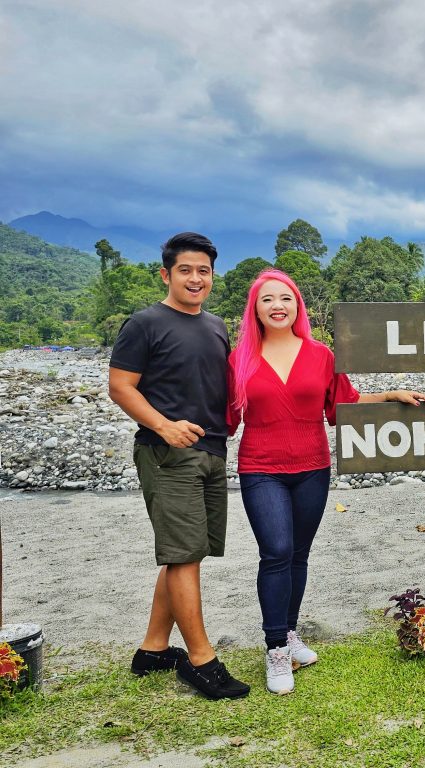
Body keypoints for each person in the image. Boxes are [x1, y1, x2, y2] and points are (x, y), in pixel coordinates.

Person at [228, 269, 425, 695]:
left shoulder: (321, 354)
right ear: (256, 309)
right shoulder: (240, 358)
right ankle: (275, 651)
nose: (277, 306)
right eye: (267, 299)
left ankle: (288, 632)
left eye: (285, 298)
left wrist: (393, 396)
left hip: (312, 467)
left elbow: (343, 408)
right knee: (277, 551)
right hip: (260, 467)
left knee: (298, 554)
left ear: (297, 305)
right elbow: (225, 418)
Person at [109, 232, 250, 700]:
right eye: (186, 270)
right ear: (166, 274)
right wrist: (164, 426)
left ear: (213, 276)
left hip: (211, 450)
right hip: (166, 452)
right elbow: (121, 386)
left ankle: (152, 649)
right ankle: (201, 661)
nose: (195, 278)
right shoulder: (145, 323)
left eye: (203, 271)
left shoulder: (215, 326)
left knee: (186, 552)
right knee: (183, 554)